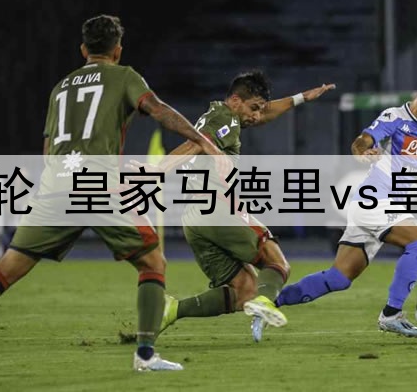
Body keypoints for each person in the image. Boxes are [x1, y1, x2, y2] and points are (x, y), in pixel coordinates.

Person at [0, 14, 224, 377]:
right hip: (98, 185)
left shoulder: (60, 88)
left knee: (7, 268)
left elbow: (48, 151)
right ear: (118, 50)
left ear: (83, 50)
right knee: (153, 262)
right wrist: (201, 140)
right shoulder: (124, 76)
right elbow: (159, 111)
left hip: (55, 186)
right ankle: (145, 355)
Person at [128, 71, 335, 337]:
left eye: (260, 109)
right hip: (217, 207)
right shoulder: (224, 118)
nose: (257, 116)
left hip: (194, 217)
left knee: (244, 289)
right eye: (254, 108)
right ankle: (264, 303)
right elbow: (195, 144)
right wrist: (157, 171)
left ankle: (171, 309)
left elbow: (266, 113)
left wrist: (301, 97)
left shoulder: (224, 117)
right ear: (236, 100)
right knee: (276, 260)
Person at [268, 68, 417, 339]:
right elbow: (362, 141)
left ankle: (268, 302)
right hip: (376, 200)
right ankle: (391, 315)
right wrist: (361, 153)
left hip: (380, 207)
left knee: (338, 278)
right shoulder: (395, 117)